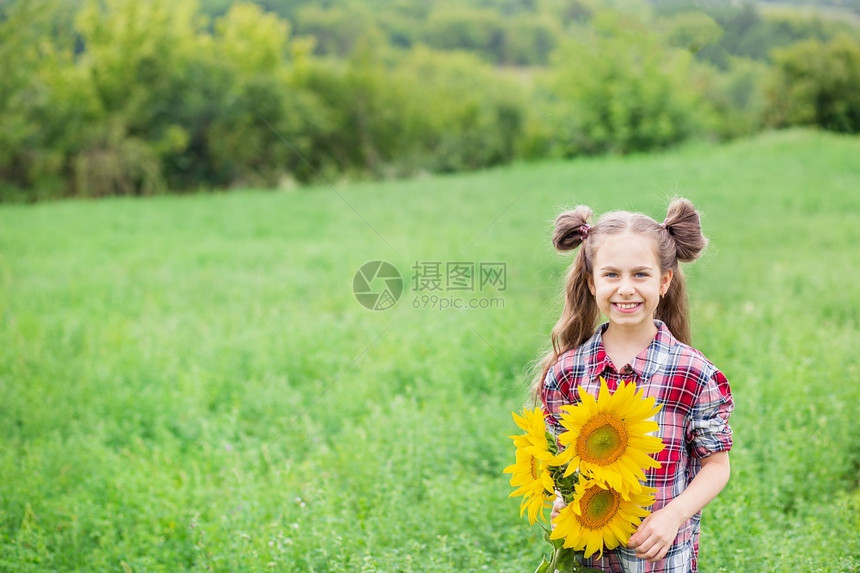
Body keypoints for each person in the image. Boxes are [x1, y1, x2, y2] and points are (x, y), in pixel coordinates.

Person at [533, 198, 734, 573]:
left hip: (660, 557)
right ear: (591, 283)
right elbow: (559, 461)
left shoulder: (691, 373)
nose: (626, 289)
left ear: (664, 280)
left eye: (640, 275)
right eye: (611, 275)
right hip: (588, 556)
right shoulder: (568, 372)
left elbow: (717, 465)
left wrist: (673, 516)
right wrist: (562, 497)